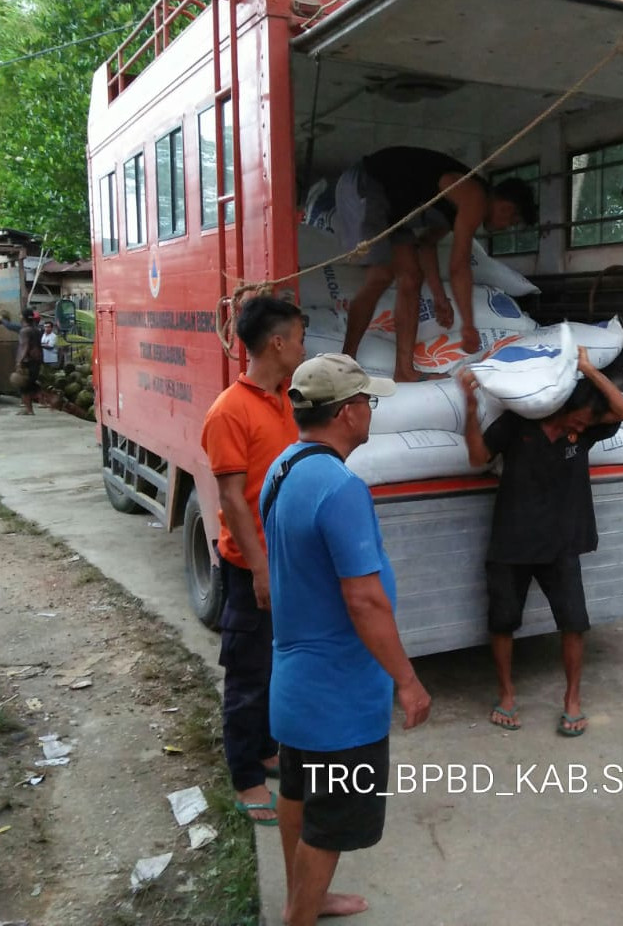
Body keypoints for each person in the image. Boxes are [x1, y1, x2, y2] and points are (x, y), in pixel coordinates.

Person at [260, 353, 431, 926]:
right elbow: (364, 600)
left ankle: (302, 899)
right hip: (338, 697)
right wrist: (407, 682)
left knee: (297, 795)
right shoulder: (340, 488)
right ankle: (298, 917)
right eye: (368, 402)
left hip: (295, 684)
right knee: (331, 820)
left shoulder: (283, 467)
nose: (370, 412)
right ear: (350, 413)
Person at [459, 346, 623, 735]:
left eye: (588, 423)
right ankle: (506, 695)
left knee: (574, 623)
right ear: (561, 405)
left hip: (561, 542)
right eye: (580, 419)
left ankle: (572, 700)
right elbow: (476, 457)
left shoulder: (584, 433)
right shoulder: (517, 424)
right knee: (502, 623)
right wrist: (470, 409)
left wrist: (588, 368)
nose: (584, 427)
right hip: (512, 540)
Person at [200, 294, 305, 826]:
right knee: (247, 673)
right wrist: (260, 567)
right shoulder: (229, 411)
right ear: (278, 342)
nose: (304, 348)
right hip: (249, 568)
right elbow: (232, 499)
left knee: (274, 665)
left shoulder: (285, 399)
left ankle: (266, 747)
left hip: (284, 561)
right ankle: (245, 776)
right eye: (300, 337)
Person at [335, 146, 537, 382]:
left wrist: (440, 297)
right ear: (506, 207)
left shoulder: (459, 203)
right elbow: (459, 266)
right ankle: (344, 364)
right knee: (381, 274)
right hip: (367, 184)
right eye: (511, 221)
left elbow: (427, 244)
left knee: (410, 278)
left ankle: (404, 371)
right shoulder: (475, 198)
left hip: (395, 208)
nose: (505, 228)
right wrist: (468, 326)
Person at [13, 309, 43, 415]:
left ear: (22, 317)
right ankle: (31, 407)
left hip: (27, 361)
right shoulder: (37, 330)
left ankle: (29, 409)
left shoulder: (24, 331)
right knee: (31, 384)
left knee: (24, 386)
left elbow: (24, 346)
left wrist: (19, 361)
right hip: (37, 361)